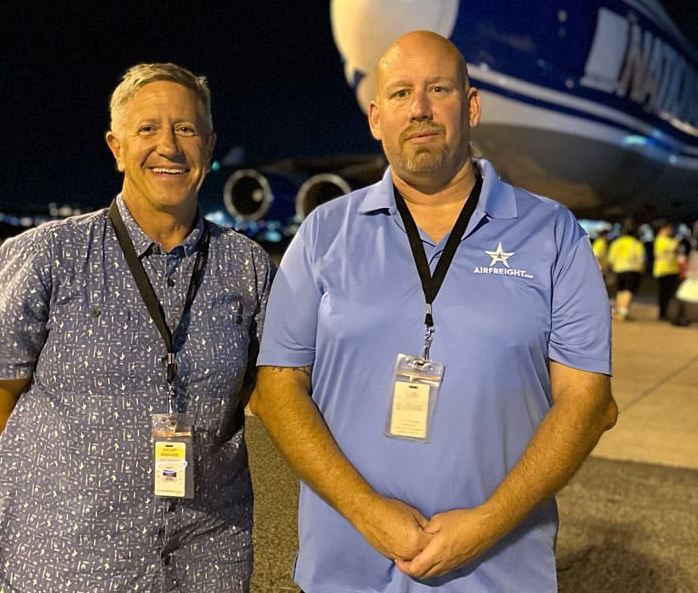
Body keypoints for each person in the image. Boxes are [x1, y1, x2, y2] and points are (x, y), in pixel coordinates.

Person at [250, 30, 617, 592]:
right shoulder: (325, 233)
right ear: (377, 119)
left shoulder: (552, 234)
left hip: (495, 569)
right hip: (349, 569)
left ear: (471, 107)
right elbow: (278, 387)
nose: (419, 108)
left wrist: (485, 525)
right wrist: (366, 510)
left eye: (438, 89)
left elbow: (587, 400)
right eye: (400, 93)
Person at [0, 62, 275, 592]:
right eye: (147, 129)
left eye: (186, 129)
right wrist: (77, 483)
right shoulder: (49, 256)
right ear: (116, 147)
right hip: (69, 558)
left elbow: (265, 389)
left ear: (209, 145)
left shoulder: (246, 267)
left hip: (206, 557)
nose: (168, 147)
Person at [607, 218, 646, 320]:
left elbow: (610, 259)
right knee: (628, 290)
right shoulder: (636, 243)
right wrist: (641, 270)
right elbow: (641, 259)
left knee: (620, 290)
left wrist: (612, 269)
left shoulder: (616, 243)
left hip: (619, 269)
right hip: (633, 270)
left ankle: (619, 310)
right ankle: (624, 311)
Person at [652, 221, 681, 320]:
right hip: (664, 270)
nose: (671, 231)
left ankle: (665, 312)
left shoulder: (666, 240)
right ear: (663, 229)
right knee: (664, 293)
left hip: (672, 270)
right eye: (669, 229)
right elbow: (673, 248)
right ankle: (663, 313)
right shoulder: (661, 240)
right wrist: (676, 241)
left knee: (668, 293)